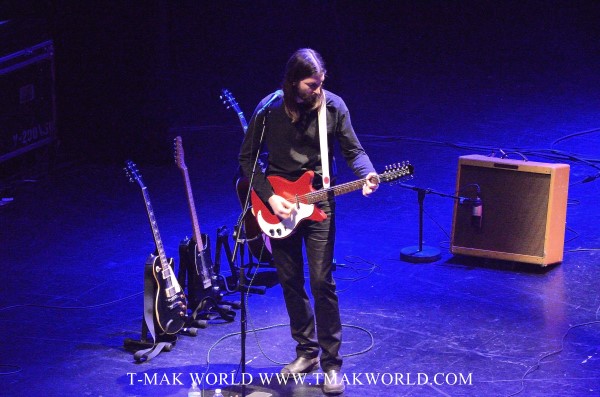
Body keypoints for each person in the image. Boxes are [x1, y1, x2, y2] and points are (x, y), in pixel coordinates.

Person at [238, 48, 379, 395]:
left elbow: (354, 150)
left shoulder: (333, 107)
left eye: (320, 84)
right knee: (290, 280)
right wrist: (269, 197)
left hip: (319, 204)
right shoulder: (269, 109)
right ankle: (306, 352)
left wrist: (368, 173)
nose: (317, 90)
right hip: (278, 203)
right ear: (292, 82)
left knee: (321, 282)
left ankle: (332, 365)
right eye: (311, 84)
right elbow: (246, 158)